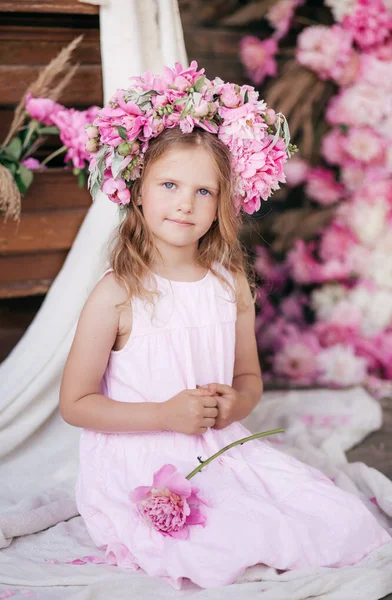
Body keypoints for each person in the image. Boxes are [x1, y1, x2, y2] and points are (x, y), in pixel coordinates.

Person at [59, 63, 391, 590]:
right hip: (142, 455)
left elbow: (248, 379)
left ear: (224, 204)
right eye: (168, 184)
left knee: (331, 517)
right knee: (224, 543)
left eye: (204, 192)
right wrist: (168, 413)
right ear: (137, 190)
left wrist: (234, 407)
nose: (184, 204)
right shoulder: (117, 292)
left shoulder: (229, 283)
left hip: (217, 443)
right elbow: (75, 404)